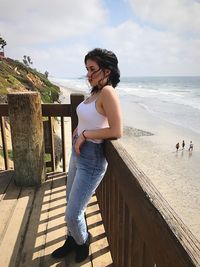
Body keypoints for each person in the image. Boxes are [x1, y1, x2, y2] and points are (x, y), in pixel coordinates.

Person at [52, 48, 122, 262]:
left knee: (73, 213)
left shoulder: (108, 92)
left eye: (92, 69)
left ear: (107, 71)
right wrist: (78, 131)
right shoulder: (95, 93)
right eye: (86, 69)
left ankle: (83, 240)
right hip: (78, 152)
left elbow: (117, 131)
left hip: (91, 160)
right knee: (70, 203)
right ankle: (71, 239)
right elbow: (88, 117)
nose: (88, 74)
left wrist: (85, 134)